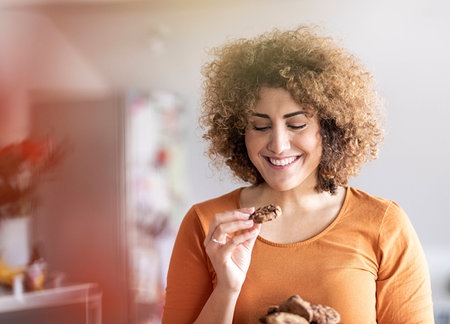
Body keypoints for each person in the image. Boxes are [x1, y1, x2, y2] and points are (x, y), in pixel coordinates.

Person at [162, 25, 434, 323]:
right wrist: (227, 288)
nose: (278, 145)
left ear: (329, 128)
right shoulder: (205, 226)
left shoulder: (384, 225)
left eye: (297, 124)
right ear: (240, 131)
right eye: (261, 126)